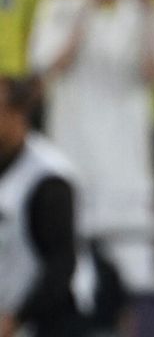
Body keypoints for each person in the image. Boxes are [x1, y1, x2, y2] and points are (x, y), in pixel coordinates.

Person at [28, 0, 154, 292]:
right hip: (74, 153)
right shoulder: (60, 5)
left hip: (127, 161)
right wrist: (87, 5)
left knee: (135, 271)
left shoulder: (149, 10)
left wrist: (147, 11)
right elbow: (48, 66)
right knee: (73, 275)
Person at [0, 76, 82, 337]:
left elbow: (61, 263)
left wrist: (18, 317)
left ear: (18, 113)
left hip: (44, 323)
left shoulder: (48, 178)